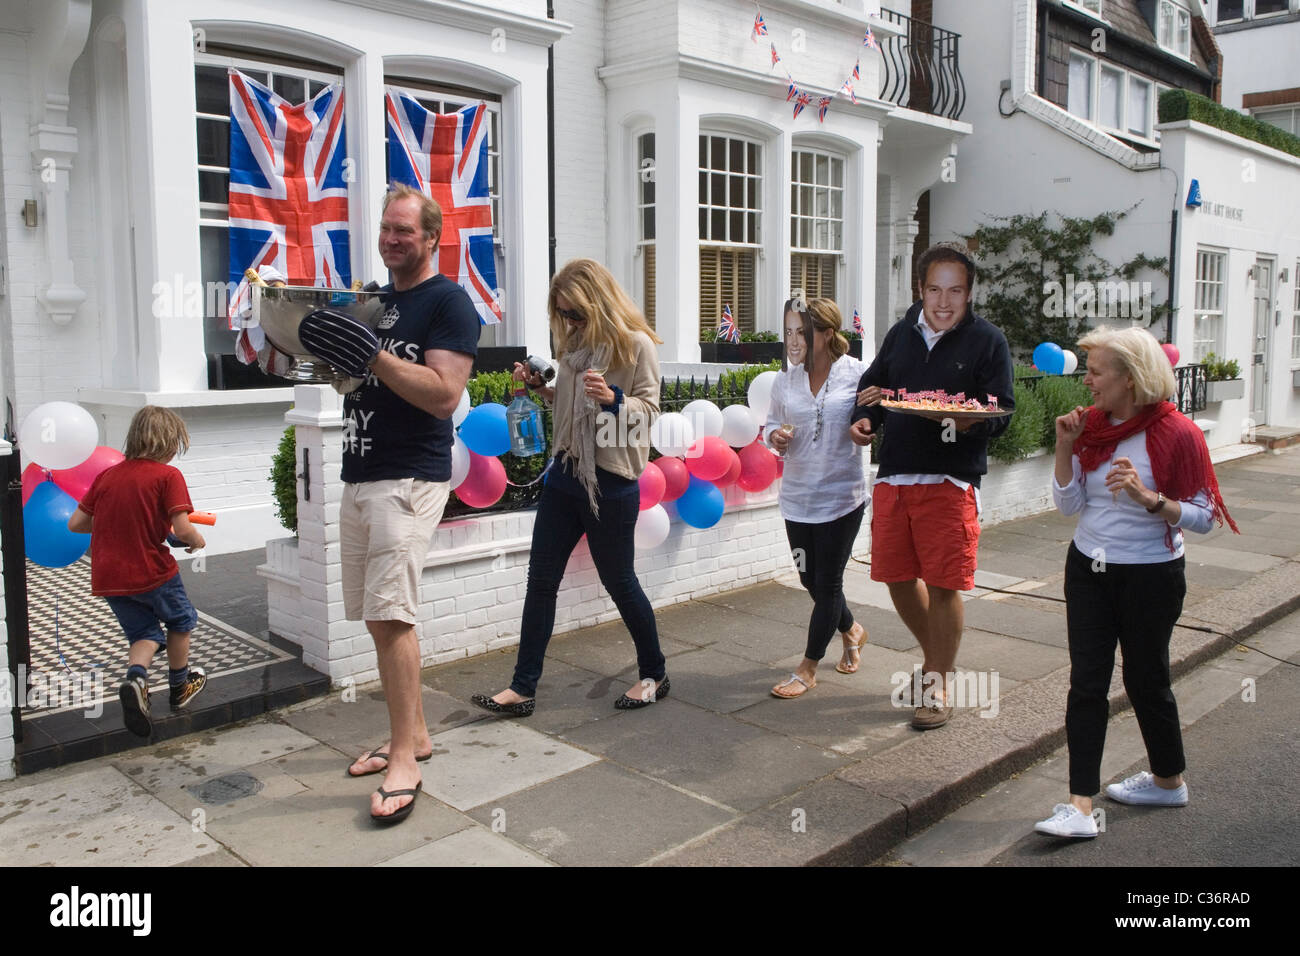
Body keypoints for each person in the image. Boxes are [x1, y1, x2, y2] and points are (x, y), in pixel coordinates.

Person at [298, 183, 478, 825]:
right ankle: (417, 733)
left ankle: (405, 757)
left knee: (393, 614)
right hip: (361, 471)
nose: (392, 239)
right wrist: (296, 345)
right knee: (376, 617)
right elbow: (350, 375)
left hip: (409, 478)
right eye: (385, 228)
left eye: (405, 230)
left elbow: (443, 394)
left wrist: (369, 349)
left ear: (431, 238)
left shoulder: (448, 303)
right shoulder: (376, 302)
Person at [1033, 327, 1238, 839]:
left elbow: (1205, 515)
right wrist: (1064, 448)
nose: (1088, 382)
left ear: (1130, 377)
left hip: (1151, 576)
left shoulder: (1179, 433)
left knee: (1146, 681)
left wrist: (1151, 499)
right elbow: (1069, 506)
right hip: (1088, 570)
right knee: (1087, 683)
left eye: (1097, 371)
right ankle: (1080, 806)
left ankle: (1168, 781)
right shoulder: (1092, 429)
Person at [472, 258, 668, 717]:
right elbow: (569, 407)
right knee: (540, 581)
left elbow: (652, 414)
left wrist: (614, 398)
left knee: (620, 582)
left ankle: (655, 673)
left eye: (576, 313)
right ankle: (522, 689)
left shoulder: (636, 346)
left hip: (612, 483)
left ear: (597, 303)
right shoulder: (574, 348)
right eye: (563, 314)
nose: (570, 322)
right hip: (565, 475)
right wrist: (541, 388)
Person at [849, 242, 1014, 730]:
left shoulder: (988, 341)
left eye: (956, 291)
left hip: (951, 478)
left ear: (969, 293)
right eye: (935, 290)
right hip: (896, 475)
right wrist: (863, 419)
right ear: (920, 289)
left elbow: (1000, 410)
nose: (944, 302)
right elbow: (873, 390)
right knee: (897, 579)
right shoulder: (901, 335)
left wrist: (968, 423)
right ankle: (937, 658)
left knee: (944, 584)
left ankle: (937, 682)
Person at [68, 406, 208, 738]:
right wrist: (195, 540)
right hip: (152, 571)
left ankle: (136, 679)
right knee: (181, 620)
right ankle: (179, 687)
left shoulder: (108, 476)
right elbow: (183, 527)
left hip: (109, 577)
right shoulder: (167, 476)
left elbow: (76, 524)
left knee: (145, 634)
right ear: (169, 441)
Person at [764, 298, 870, 698]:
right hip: (797, 498)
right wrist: (774, 437)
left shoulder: (858, 374)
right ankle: (852, 629)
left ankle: (808, 667)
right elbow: (771, 424)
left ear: (826, 334)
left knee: (827, 584)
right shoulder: (784, 381)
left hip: (842, 497)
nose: (793, 340)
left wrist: (867, 427)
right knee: (809, 579)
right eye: (788, 331)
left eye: (802, 332)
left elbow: (874, 417)